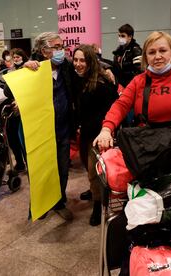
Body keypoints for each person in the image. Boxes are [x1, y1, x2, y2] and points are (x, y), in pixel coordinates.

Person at [94, 31, 171, 152]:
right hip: (152, 148)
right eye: (151, 52)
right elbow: (120, 105)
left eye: (163, 51)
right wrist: (106, 129)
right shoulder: (138, 81)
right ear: (145, 57)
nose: (157, 56)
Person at [22, 32, 76, 221]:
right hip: (40, 132)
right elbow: (8, 89)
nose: (62, 51)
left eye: (62, 47)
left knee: (62, 169)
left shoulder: (66, 67)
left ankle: (59, 202)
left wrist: (108, 72)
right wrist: (24, 68)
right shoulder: (32, 69)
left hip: (62, 128)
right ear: (45, 51)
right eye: (58, 47)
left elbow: (88, 68)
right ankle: (40, 204)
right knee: (40, 169)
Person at [72, 44, 118, 226]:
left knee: (94, 171)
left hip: (98, 135)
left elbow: (112, 110)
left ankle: (98, 205)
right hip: (84, 133)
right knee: (88, 167)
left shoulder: (102, 83)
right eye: (75, 60)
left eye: (82, 60)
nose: (78, 64)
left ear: (91, 61)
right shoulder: (78, 79)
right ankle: (94, 192)